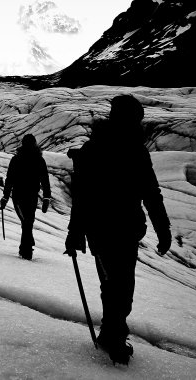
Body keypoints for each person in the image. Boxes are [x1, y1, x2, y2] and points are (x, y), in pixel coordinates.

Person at [64, 94, 172, 364]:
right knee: (118, 287)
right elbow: (84, 195)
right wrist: (74, 233)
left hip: (118, 230)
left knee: (116, 286)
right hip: (109, 230)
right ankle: (114, 338)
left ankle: (110, 334)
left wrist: (163, 228)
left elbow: (149, 191)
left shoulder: (117, 149)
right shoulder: (111, 150)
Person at [0, 134, 52, 260]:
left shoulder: (17, 159)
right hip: (32, 196)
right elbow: (45, 180)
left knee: (27, 222)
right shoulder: (39, 160)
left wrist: (5, 197)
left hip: (18, 196)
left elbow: (10, 180)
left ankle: (26, 250)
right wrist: (46, 197)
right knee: (28, 222)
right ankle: (27, 248)